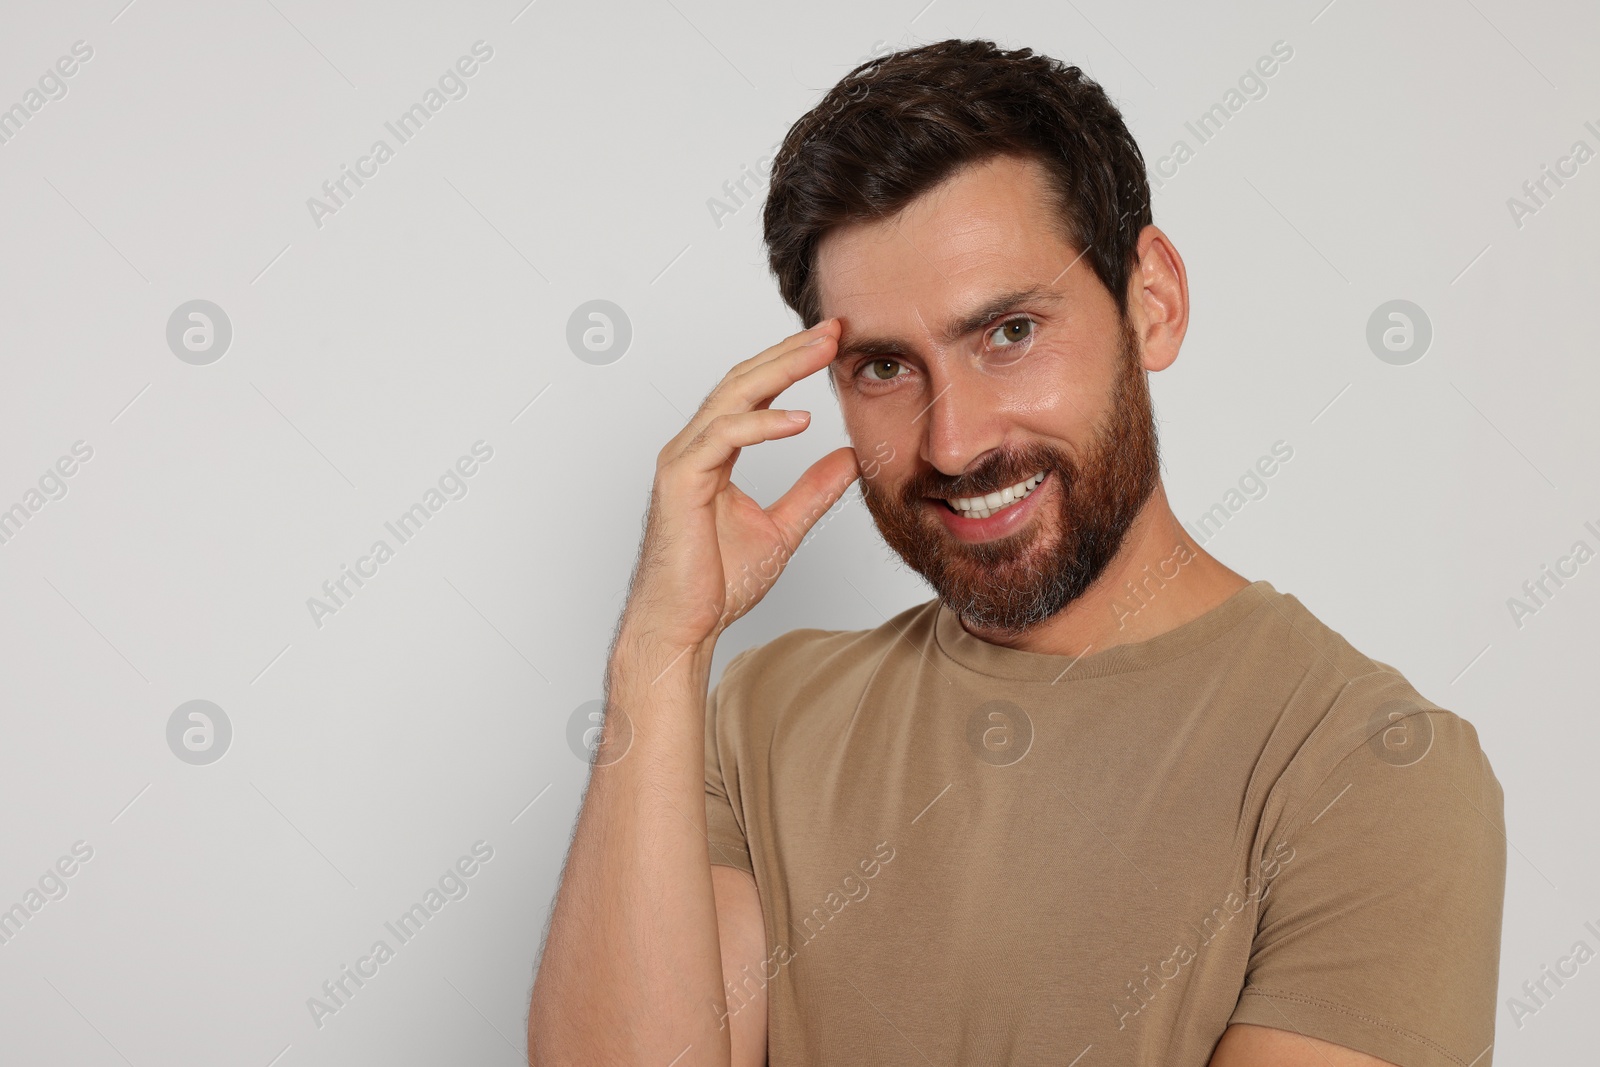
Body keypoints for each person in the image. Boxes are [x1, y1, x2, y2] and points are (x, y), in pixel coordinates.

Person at [527, 38, 1505, 1067]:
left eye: (1009, 332)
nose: (954, 440)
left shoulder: (1371, 766)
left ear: (1152, 302)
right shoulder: (761, 713)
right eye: (884, 366)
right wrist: (660, 644)